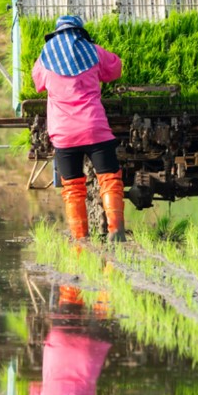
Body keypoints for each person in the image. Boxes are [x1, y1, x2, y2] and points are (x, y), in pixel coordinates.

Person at [32, 15, 126, 242]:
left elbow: (38, 84)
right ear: (79, 32)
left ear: (57, 34)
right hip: (94, 127)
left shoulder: (45, 57)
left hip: (64, 134)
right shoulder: (92, 51)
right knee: (110, 179)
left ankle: (80, 238)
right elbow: (115, 70)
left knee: (72, 187)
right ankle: (116, 231)